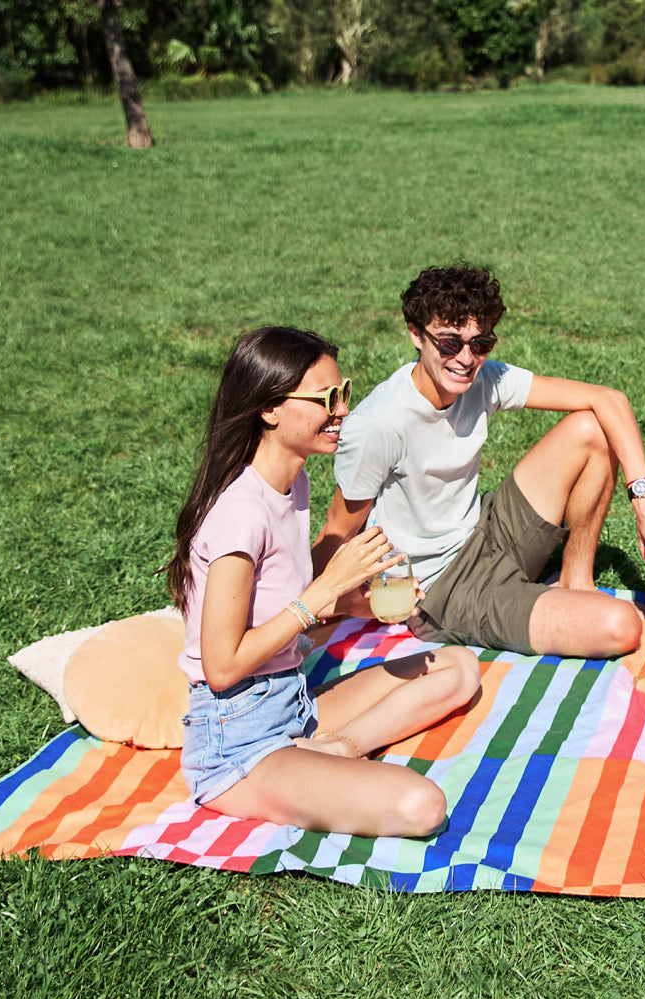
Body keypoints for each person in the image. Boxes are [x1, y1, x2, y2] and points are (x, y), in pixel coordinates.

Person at [165, 326, 483, 837]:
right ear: (270, 409)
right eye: (326, 399)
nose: (343, 411)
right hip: (237, 741)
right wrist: (325, 588)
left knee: (458, 667)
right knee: (421, 806)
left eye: (345, 393)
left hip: (293, 703)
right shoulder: (238, 515)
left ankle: (339, 748)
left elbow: (283, 614)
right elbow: (222, 668)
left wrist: (361, 605)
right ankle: (320, 757)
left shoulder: (294, 485)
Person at [316, 265, 645, 658]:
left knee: (592, 429)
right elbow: (337, 530)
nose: (466, 359)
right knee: (620, 626)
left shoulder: (483, 378)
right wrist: (306, 610)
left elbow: (608, 399)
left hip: (485, 528)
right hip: (442, 587)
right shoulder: (381, 424)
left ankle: (576, 583)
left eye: (481, 343)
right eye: (450, 343)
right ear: (415, 334)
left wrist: (644, 500)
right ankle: (544, 597)